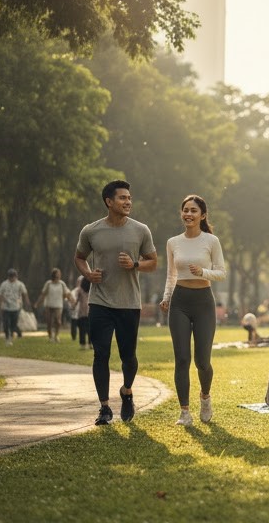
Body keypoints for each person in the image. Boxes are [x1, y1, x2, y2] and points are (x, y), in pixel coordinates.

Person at [75, 180, 157, 425]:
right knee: (100, 354)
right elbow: (79, 257)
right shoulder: (91, 231)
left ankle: (127, 391)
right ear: (109, 202)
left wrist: (134, 264)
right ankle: (104, 407)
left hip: (129, 302)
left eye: (129, 198)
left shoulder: (141, 230)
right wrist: (88, 274)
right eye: (122, 198)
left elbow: (153, 262)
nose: (128, 202)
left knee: (128, 356)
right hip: (99, 301)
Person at [160, 195, 226, 426]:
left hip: (203, 302)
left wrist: (202, 272)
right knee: (182, 358)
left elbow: (221, 273)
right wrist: (166, 297)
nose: (188, 214)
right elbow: (171, 274)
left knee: (202, 361)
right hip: (179, 301)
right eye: (185, 210)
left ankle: (205, 397)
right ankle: (185, 412)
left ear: (203, 215)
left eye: (193, 211)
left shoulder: (211, 241)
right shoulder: (173, 242)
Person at [34, 268, 72, 343]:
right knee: (49, 322)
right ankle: (50, 336)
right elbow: (43, 294)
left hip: (58, 305)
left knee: (58, 321)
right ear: (54, 275)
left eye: (59, 274)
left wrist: (72, 302)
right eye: (57, 274)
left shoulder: (62, 284)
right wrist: (37, 303)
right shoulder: (48, 283)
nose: (59, 275)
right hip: (49, 304)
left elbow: (67, 294)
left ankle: (56, 335)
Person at [0, 268, 30, 346]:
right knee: (6, 323)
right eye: (11, 276)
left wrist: (27, 302)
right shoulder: (4, 284)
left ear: (16, 276)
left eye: (13, 276)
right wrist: (0, 304)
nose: (12, 278)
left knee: (13, 324)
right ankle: (7, 337)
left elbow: (25, 293)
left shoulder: (20, 284)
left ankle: (11, 336)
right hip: (6, 307)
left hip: (16, 307)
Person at [71, 276, 91, 350]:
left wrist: (73, 306)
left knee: (82, 329)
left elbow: (76, 300)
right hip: (90, 312)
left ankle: (83, 344)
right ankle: (90, 344)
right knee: (90, 329)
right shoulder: (92, 289)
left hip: (82, 312)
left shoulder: (80, 290)